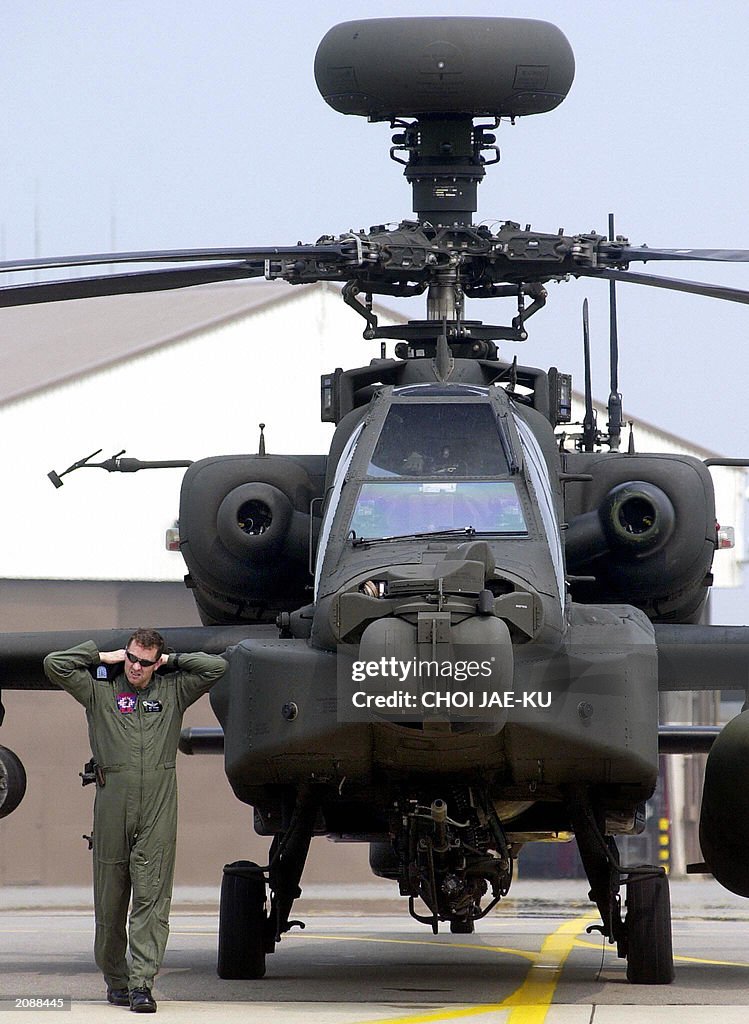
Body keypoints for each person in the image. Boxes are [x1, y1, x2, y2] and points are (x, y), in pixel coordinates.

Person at [43, 629, 227, 1014]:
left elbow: (216, 667)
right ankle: (116, 979)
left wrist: (172, 662)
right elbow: (55, 665)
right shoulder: (100, 692)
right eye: (131, 658)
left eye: (145, 661)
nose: (136, 667)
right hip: (112, 805)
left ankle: (142, 984)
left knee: (151, 896)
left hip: (158, 806)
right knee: (111, 898)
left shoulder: (172, 691)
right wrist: (101, 656)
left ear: (156, 661)